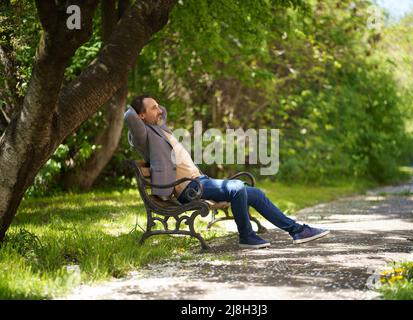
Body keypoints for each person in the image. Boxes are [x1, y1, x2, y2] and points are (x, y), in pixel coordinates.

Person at [124, 94, 330, 249]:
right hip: (189, 188)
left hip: (199, 181)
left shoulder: (161, 129)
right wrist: (123, 102)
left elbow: (163, 111)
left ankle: (297, 231)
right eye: (153, 108)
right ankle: (246, 237)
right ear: (141, 115)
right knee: (237, 187)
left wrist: (156, 107)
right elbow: (130, 116)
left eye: (158, 107)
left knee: (255, 193)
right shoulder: (143, 136)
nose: (159, 110)